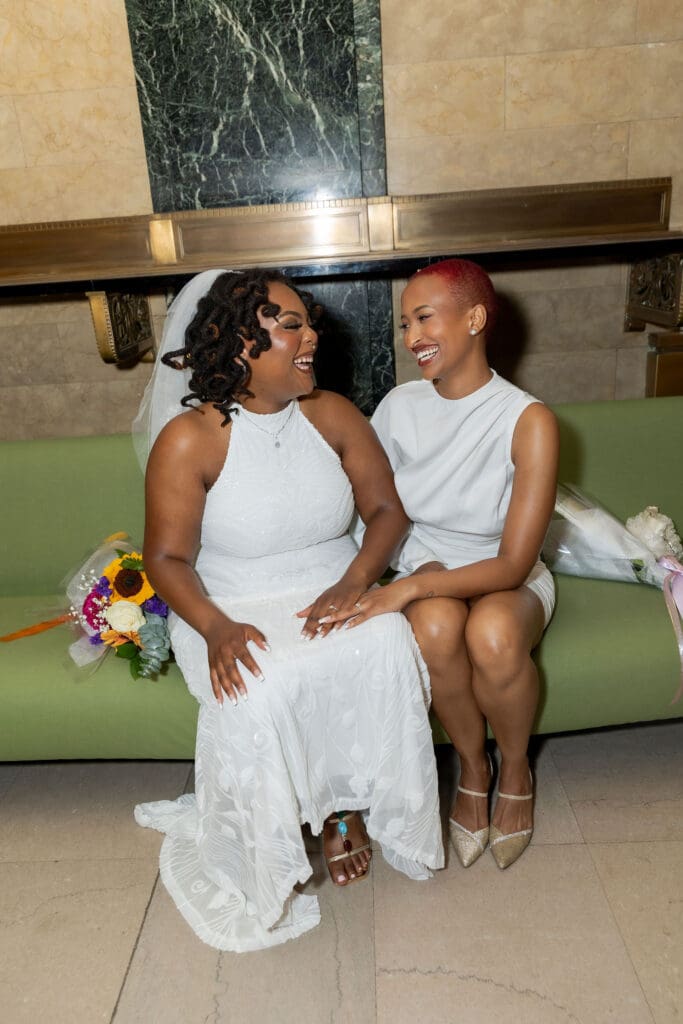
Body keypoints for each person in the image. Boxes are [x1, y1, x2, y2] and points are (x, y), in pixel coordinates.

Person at [132, 268, 443, 952]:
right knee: (260, 679)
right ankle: (289, 825)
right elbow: (167, 561)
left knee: (385, 638)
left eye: (309, 321)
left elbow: (386, 511)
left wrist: (357, 579)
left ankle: (344, 810)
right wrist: (213, 628)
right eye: (291, 324)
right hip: (227, 601)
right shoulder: (191, 440)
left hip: (330, 579)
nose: (312, 335)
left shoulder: (330, 413)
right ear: (239, 342)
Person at [322, 258, 558, 870]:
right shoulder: (400, 407)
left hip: (507, 574)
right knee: (433, 626)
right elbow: (371, 506)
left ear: (475, 318)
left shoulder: (528, 420)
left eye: (424, 318)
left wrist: (409, 589)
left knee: (494, 632)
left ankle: (515, 770)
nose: (411, 338)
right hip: (427, 566)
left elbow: (512, 563)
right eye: (405, 324)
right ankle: (472, 772)